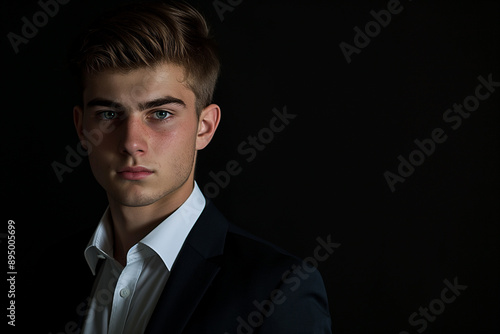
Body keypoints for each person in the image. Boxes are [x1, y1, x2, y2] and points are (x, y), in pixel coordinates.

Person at [36, 1, 332, 333]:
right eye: (108, 114)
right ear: (81, 128)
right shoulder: (45, 274)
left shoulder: (279, 292)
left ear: (204, 127)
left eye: (160, 114)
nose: (132, 142)